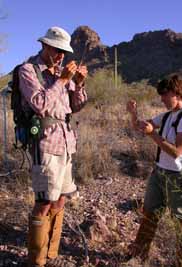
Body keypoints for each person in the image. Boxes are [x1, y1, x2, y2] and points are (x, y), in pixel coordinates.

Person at [18, 26, 88, 267]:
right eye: (56, 50)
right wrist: (63, 80)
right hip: (45, 143)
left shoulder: (60, 74)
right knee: (44, 202)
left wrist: (78, 85)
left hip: (67, 143)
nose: (60, 56)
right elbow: (40, 104)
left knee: (60, 200)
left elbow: (76, 106)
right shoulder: (29, 71)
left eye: (63, 52)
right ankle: (36, 260)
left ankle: (51, 254)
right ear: (45, 46)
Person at [126, 75, 182, 267]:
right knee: (149, 214)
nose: (162, 99)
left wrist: (152, 134)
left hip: (178, 177)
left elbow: (176, 151)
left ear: (176, 93)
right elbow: (139, 126)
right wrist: (133, 114)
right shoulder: (166, 116)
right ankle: (139, 256)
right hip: (159, 173)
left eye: (164, 95)